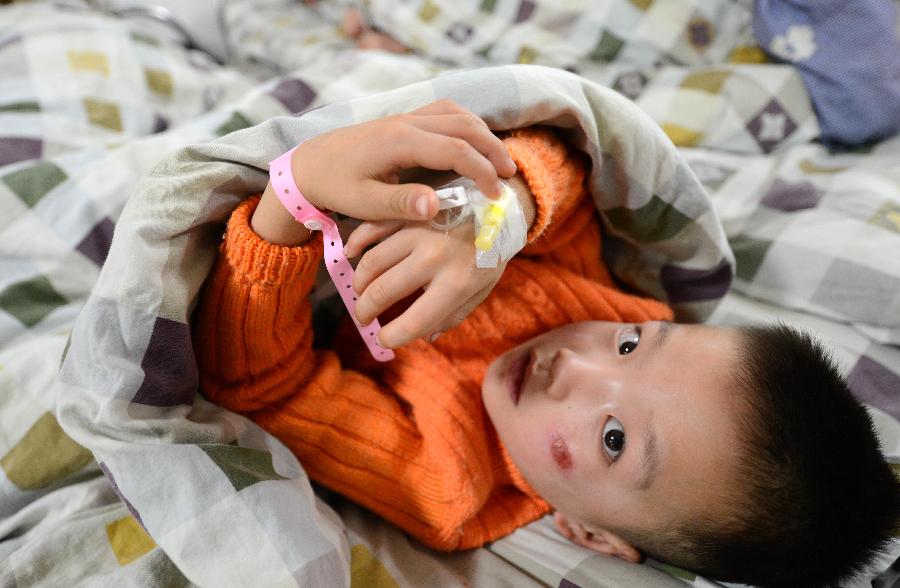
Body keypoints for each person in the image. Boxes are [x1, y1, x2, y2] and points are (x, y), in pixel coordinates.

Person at [193, 100, 899, 588]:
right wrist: (499, 215)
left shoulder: (445, 481)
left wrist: (290, 203)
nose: (575, 363)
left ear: (592, 537)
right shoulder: (606, 303)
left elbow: (264, 389)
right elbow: (568, 161)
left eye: (615, 438)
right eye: (632, 347)